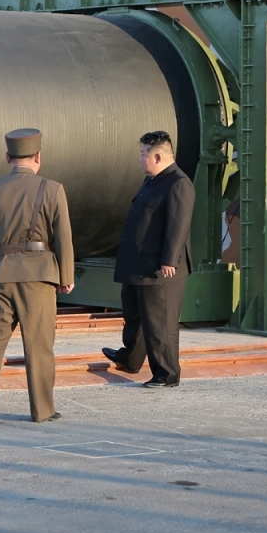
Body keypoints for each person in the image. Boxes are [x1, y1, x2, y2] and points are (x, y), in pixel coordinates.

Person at [0, 128, 74, 424]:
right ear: (38, 156)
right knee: (39, 343)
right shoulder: (52, 189)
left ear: (7, 157)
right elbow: (63, 238)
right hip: (39, 274)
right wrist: (65, 275)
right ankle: (42, 410)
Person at [101, 130, 195, 388]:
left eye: (143, 154)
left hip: (160, 268)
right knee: (134, 313)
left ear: (157, 156)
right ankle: (131, 358)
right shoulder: (152, 180)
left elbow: (178, 224)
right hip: (139, 264)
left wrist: (169, 260)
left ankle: (167, 374)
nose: (140, 159)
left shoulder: (178, 183)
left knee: (159, 322)